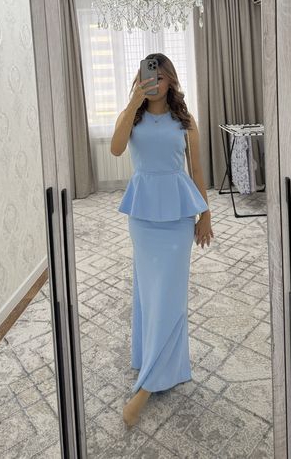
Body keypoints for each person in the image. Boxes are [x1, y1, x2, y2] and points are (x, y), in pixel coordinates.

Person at [110, 52, 214, 427]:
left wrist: (205, 214)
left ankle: (147, 387)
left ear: (170, 79)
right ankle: (158, 362)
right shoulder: (132, 117)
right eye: (148, 76)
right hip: (142, 219)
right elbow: (116, 148)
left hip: (177, 219)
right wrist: (132, 103)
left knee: (170, 294)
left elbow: (197, 169)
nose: (154, 82)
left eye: (160, 76)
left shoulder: (185, 121)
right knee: (150, 292)